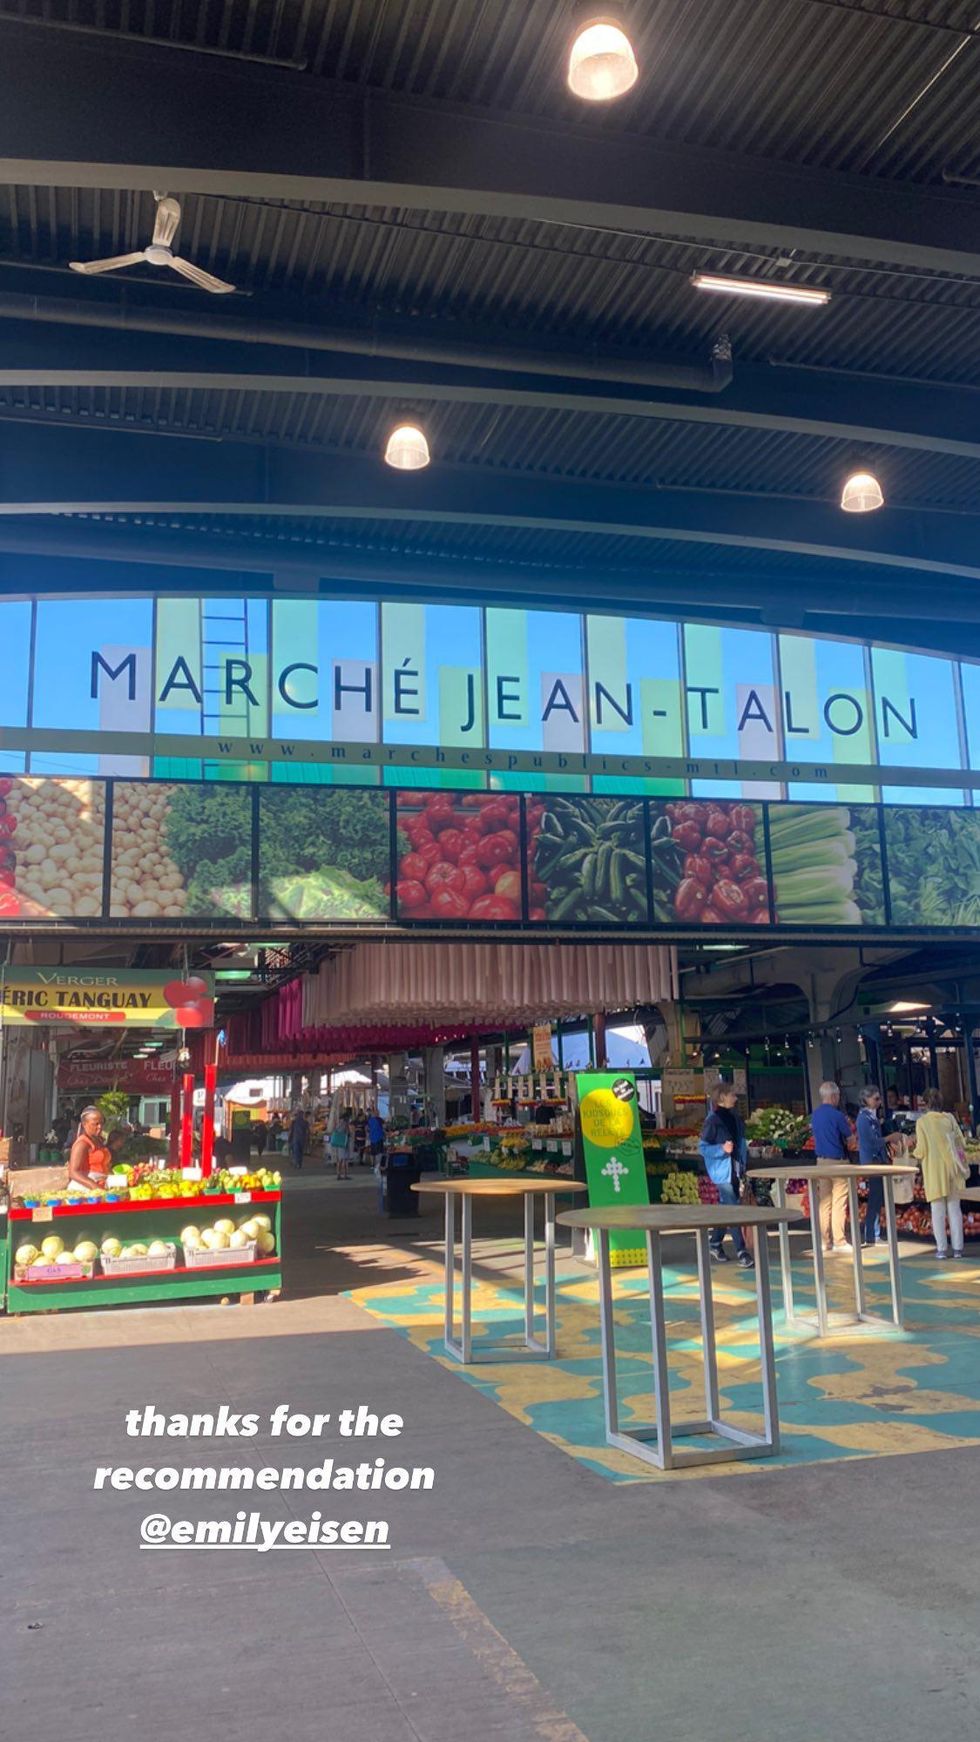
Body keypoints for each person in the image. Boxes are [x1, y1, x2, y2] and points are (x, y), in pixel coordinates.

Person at [699, 1086, 753, 1267]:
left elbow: (741, 1143)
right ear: (722, 1097)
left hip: (735, 1169)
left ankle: (715, 1243)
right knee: (734, 1208)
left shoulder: (736, 1119)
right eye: (732, 1095)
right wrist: (721, 1149)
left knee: (726, 1208)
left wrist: (743, 1165)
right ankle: (742, 1251)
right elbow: (703, 1148)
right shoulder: (712, 1121)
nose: (736, 1098)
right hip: (722, 1172)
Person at [913, 1089, 967, 1260]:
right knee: (955, 1210)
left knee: (938, 1212)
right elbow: (961, 1142)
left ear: (926, 1103)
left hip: (934, 1172)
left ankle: (942, 1249)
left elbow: (921, 1150)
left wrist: (911, 1151)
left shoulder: (922, 1123)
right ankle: (958, 1249)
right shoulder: (950, 1118)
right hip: (953, 1170)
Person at [810, 1081, 856, 1256]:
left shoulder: (815, 1115)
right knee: (839, 1202)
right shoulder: (838, 1116)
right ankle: (839, 1241)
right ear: (834, 1096)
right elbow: (850, 1139)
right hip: (838, 1162)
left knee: (824, 1202)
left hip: (820, 1163)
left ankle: (824, 1241)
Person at [857, 1086, 890, 1247]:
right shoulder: (863, 1119)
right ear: (866, 1100)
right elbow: (870, 1142)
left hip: (877, 1160)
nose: (878, 1102)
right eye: (875, 1099)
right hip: (872, 1161)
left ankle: (873, 1233)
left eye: (879, 1099)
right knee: (875, 1197)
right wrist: (889, 1138)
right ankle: (871, 1234)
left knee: (877, 1197)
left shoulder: (872, 1117)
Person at [66, 1107, 111, 1193]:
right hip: (84, 1189)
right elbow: (73, 1172)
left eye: (102, 1123)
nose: (100, 1127)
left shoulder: (98, 1140)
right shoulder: (82, 1144)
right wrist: (96, 1188)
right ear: (84, 1124)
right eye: (95, 1124)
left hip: (100, 1186)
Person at [330, 1115, 351, 1179]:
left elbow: (334, 1131)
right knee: (345, 1161)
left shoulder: (337, 1125)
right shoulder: (345, 1125)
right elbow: (348, 1133)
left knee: (340, 1160)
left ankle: (338, 1175)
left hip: (338, 1144)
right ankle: (345, 1175)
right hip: (344, 1144)